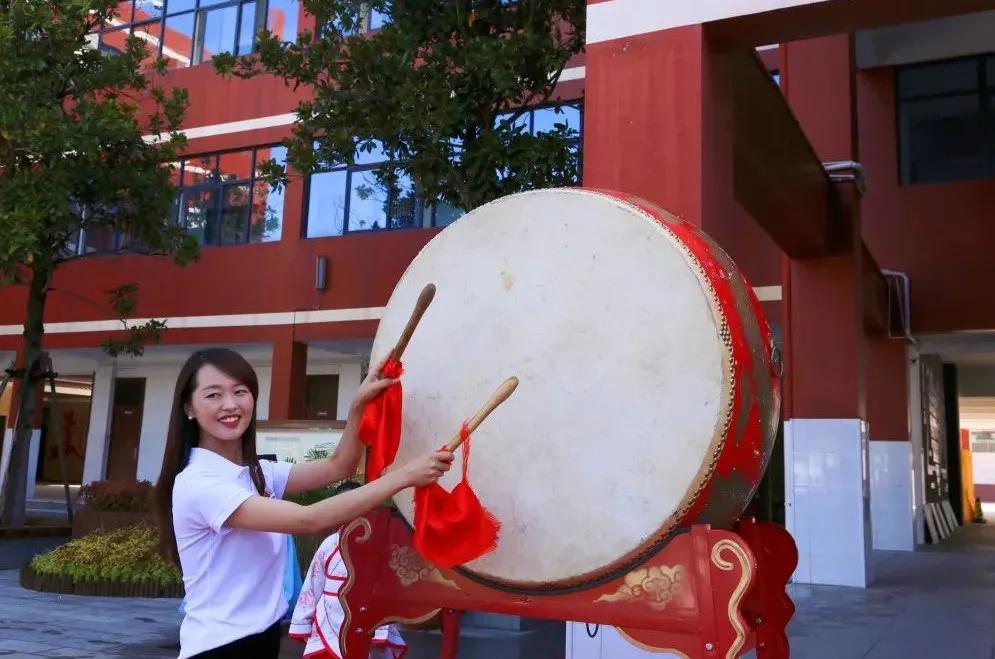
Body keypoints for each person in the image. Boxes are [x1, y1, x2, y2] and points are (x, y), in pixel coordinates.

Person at [154, 348, 452, 659]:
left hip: (259, 638)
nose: (230, 404)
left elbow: (338, 467)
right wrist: (404, 476)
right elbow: (309, 519)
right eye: (213, 395)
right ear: (189, 407)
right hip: (219, 646)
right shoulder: (200, 482)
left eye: (240, 391)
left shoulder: (257, 472)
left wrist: (357, 409)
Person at [288, 480, 407, 658]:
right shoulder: (329, 544)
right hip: (328, 616)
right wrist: (304, 620)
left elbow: (385, 590)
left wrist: (382, 628)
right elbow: (313, 585)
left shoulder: (378, 546)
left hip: (365, 618)